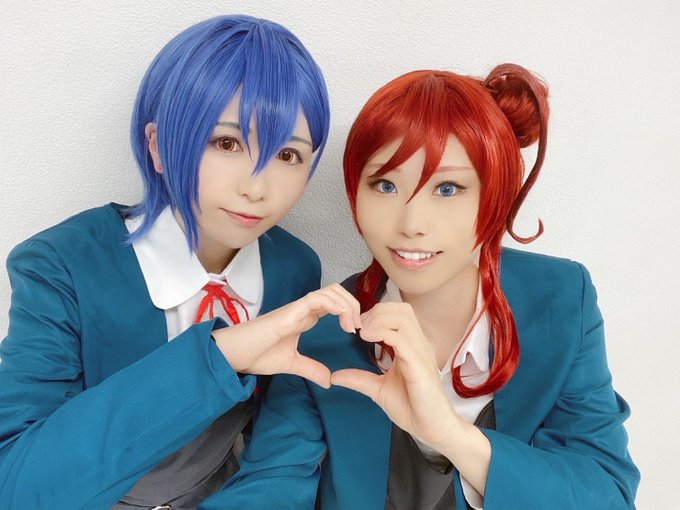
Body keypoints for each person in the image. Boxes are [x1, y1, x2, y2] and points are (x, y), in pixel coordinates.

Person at [213, 65, 640, 509]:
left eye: (448, 188)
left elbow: (607, 495)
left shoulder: (560, 299)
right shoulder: (323, 332)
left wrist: (450, 435)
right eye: (385, 185)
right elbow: (267, 491)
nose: (411, 224)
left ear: (496, 194)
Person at [0, 14, 362, 509]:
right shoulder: (61, 264)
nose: (257, 187)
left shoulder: (293, 269)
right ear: (158, 146)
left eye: (288, 155)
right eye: (226, 143)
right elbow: (16, 484)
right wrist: (220, 355)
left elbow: (279, 461)